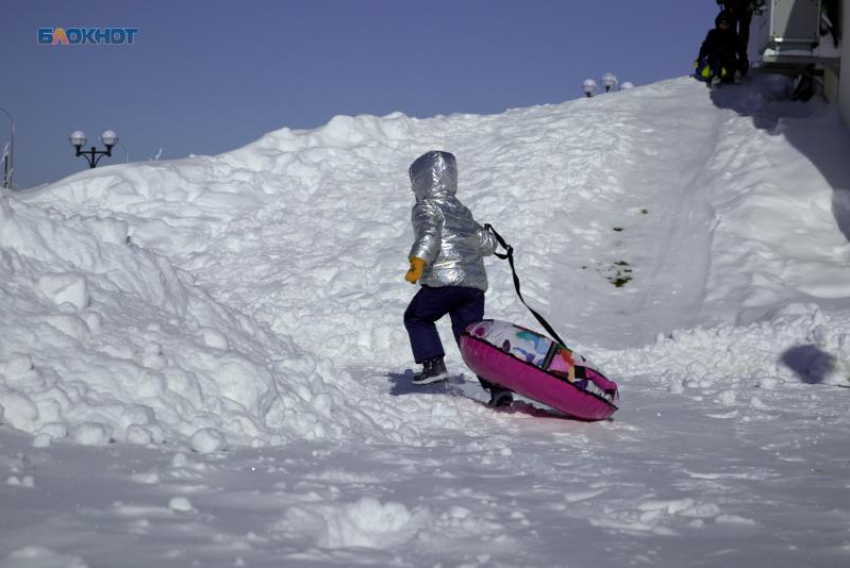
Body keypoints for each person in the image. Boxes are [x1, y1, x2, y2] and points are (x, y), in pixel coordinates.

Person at [403, 150, 514, 407]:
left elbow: (428, 235)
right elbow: (486, 244)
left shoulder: (425, 206)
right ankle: (498, 389)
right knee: (471, 339)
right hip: (472, 288)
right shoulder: (461, 210)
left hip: (444, 282)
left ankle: (433, 365)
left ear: (421, 181)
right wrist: (492, 237)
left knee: (417, 317)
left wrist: (418, 261)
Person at [695, 10, 749, 86]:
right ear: (718, 23)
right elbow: (705, 47)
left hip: (729, 58)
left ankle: (736, 74)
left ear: (730, 24)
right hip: (715, 58)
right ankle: (716, 76)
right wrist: (700, 58)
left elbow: (740, 48)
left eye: (726, 23)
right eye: (722, 23)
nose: (724, 25)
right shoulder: (713, 33)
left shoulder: (733, 34)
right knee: (717, 58)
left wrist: (743, 59)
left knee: (734, 59)